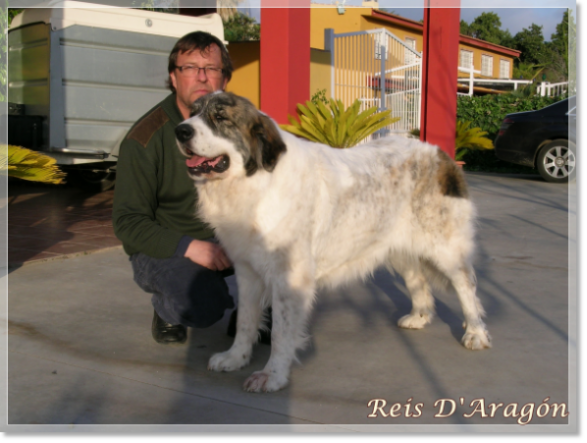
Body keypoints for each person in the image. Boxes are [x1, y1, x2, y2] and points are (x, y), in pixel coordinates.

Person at [113, 31, 268, 345]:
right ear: (173, 77)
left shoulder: (244, 128)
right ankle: (168, 309)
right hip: (168, 245)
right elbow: (128, 222)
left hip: (226, 235)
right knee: (201, 306)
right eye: (189, 67)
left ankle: (253, 312)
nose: (201, 76)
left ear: (224, 80)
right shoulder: (144, 139)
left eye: (211, 68)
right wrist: (192, 247)